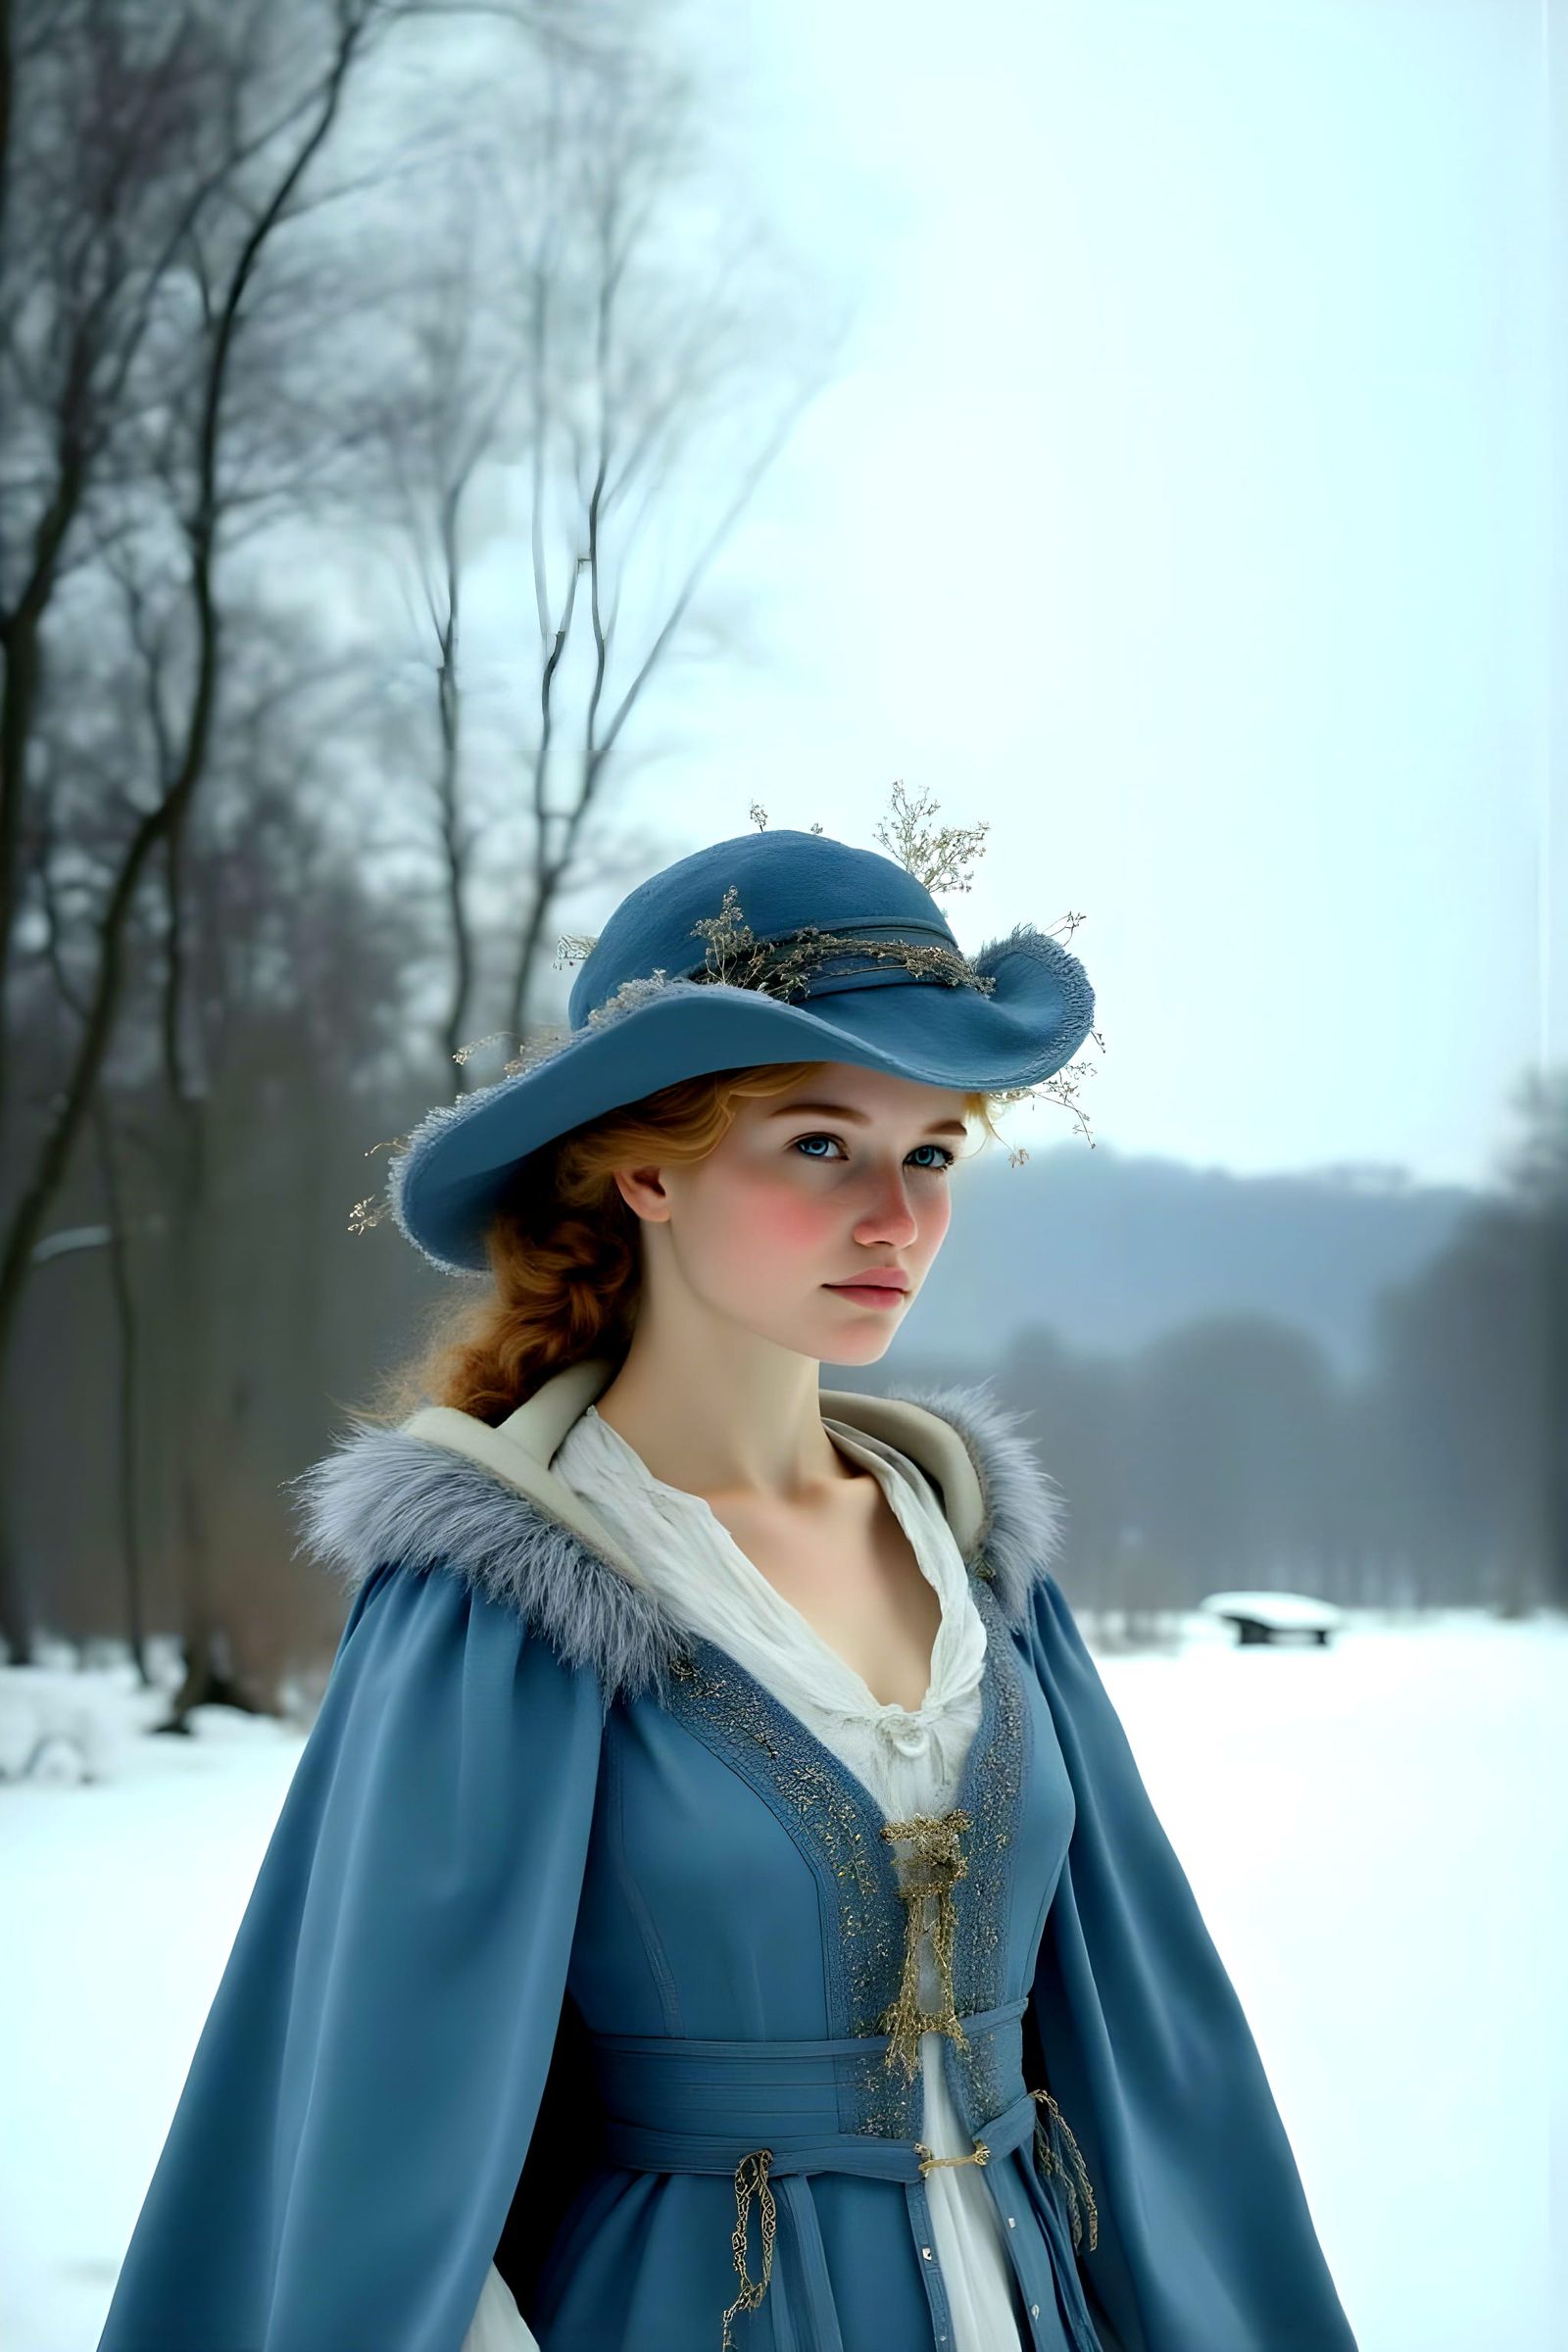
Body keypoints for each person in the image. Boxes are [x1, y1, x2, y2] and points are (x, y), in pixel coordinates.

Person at [95, 825, 1360, 2352]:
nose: (896, 1217)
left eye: (934, 1153)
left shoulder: (978, 1566)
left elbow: (1150, 2057)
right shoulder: (503, 1595)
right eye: (822, 1145)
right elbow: (376, 2133)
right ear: (646, 1168)